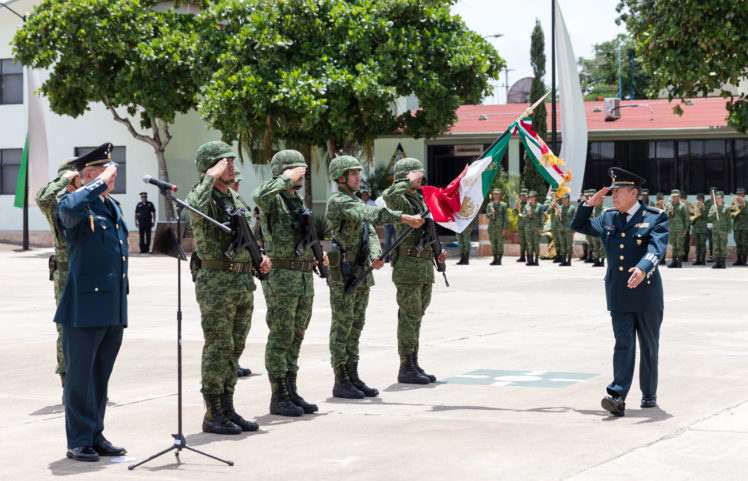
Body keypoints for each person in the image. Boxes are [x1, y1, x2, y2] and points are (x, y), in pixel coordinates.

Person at [186, 141, 271, 434]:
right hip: (216, 285)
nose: (231, 167)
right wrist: (210, 177)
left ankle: (228, 407)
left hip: (242, 282)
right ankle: (212, 413)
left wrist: (260, 257)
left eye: (231, 162)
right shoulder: (203, 196)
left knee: (234, 349)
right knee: (218, 346)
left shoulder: (234, 198)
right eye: (225, 163)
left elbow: (245, 234)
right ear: (210, 167)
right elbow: (193, 210)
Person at [570, 167, 669, 417]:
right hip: (619, 293)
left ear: (634, 192)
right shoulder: (608, 218)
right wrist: (588, 204)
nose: (613, 196)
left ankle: (648, 394)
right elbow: (578, 224)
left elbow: (657, 249)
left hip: (646, 294)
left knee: (648, 347)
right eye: (611, 191)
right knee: (623, 345)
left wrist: (644, 268)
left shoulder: (656, 217)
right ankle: (617, 396)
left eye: (617, 191)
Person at [54, 143, 129, 461]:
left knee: (100, 378)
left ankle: (95, 435)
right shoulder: (76, 207)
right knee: (80, 379)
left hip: (112, 306)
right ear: (89, 175)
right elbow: (68, 208)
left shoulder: (112, 207)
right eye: (106, 172)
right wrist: (95, 185)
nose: (113, 176)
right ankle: (78, 440)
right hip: (84, 308)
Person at [326, 155, 423, 398]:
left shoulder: (354, 200)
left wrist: (376, 254)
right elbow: (372, 216)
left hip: (361, 269)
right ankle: (341, 380)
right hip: (344, 272)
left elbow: (369, 231)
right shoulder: (339, 201)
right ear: (341, 177)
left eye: (359, 173)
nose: (358, 177)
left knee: (356, 326)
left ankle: (353, 376)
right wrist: (403, 217)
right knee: (342, 326)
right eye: (353, 173)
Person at [252, 150, 326, 417]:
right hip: (281, 278)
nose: (300, 174)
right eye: (295, 170)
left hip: (304, 277)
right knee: (281, 335)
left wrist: (316, 254)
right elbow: (258, 196)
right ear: (282, 172)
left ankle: (291, 391)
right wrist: (284, 179)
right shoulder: (273, 200)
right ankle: (278, 395)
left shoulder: (296, 200)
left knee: (296, 336)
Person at [383, 157, 448, 384]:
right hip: (408, 267)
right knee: (409, 316)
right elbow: (387, 196)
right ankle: (405, 366)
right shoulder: (399, 199)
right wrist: (405, 181)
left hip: (424, 266)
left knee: (417, 316)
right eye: (414, 174)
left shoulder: (421, 199)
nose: (419, 177)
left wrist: (438, 251)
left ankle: (414, 362)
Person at [36, 158, 79, 395]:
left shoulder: (90, 201)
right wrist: (63, 179)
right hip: (65, 273)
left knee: (92, 328)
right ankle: (67, 382)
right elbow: (42, 197)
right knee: (66, 329)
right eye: (77, 177)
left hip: (88, 273)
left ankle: (88, 380)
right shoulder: (57, 205)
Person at [231, 169, 252, 378]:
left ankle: (235, 361)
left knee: (241, 327)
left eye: (238, 181)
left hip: (243, 276)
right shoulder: (217, 202)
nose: (237, 184)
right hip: (226, 277)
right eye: (234, 181)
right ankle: (229, 364)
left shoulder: (239, 201)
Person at [707, 191, 731, 269]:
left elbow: (729, 220)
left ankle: (723, 263)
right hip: (715, 231)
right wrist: (714, 212)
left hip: (723, 231)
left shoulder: (726, 208)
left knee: (723, 246)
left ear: (723, 198)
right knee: (716, 246)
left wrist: (729, 231)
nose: (719, 199)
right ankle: (717, 263)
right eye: (717, 198)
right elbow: (710, 217)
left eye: (720, 198)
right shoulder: (713, 207)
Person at [485, 188, 508, 265]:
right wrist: (491, 213)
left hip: (500, 228)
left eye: (497, 194)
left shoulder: (503, 205)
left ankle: (499, 259)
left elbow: (506, 217)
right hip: (492, 228)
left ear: (500, 195)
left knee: (500, 244)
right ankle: (495, 259)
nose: (496, 195)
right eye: (494, 194)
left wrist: (505, 228)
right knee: (493, 244)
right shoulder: (490, 205)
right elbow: (487, 216)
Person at [666, 189, 688, 268]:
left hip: (680, 229)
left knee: (679, 245)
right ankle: (674, 261)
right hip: (672, 228)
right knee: (673, 245)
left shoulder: (682, 206)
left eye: (676, 196)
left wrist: (685, 229)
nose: (674, 198)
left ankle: (679, 262)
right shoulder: (669, 205)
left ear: (679, 196)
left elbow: (686, 218)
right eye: (673, 197)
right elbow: (666, 217)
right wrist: (669, 211)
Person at [524, 190, 543, 266]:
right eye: (530, 197)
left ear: (535, 198)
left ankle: (536, 260)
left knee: (536, 244)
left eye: (533, 197)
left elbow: (542, 217)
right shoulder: (526, 206)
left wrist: (541, 228)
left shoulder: (539, 206)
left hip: (536, 228)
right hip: (528, 228)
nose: (531, 198)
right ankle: (530, 259)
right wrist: (527, 214)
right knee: (529, 244)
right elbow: (523, 217)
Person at [557, 193, 576, 266]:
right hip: (561, 229)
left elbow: (574, 220)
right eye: (563, 199)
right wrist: (558, 215)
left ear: (568, 199)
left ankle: (569, 261)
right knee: (562, 245)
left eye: (565, 198)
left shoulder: (572, 208)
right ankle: (563, 261)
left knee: (569, 245)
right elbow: (558, 220)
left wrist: (573, 230)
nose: (564, 200)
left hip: (569, 229)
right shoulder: (560, 208)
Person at [691, 193, 708, 265]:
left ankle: (703, 259)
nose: (698, 201)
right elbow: (691, 215)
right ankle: (698, 259)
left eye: (700, 199)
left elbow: (705, 216)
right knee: (697, 244)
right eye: (697, 199)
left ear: (703, 200)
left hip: (703, 229)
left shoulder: (706, 207)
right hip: (696, 228)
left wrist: (701, 208)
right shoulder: (694, 207)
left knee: (702, 244)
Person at [732, 187, 747, 266]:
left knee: (744, 244)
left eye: (741, 194)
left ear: (744, 195)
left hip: (745, 228)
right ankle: (738, 260)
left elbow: (745, 212)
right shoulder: (734, 204)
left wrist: (740, 205)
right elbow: (731, 215)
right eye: (738, 194)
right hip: (737, 227)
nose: (739, 196)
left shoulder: (746, 203)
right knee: (738, 244)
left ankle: (744, 260)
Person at [514, 189, 529, 262]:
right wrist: (516, 208)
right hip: (520, 226)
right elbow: (514, 214)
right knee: (522, 241)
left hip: (528, 226)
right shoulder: (519, 203)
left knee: (528, 241)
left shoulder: (530, 203)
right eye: (522, 195)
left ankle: (529, 257)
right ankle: (522, 257)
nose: (523, 196)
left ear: (527, 195)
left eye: (524, 195)